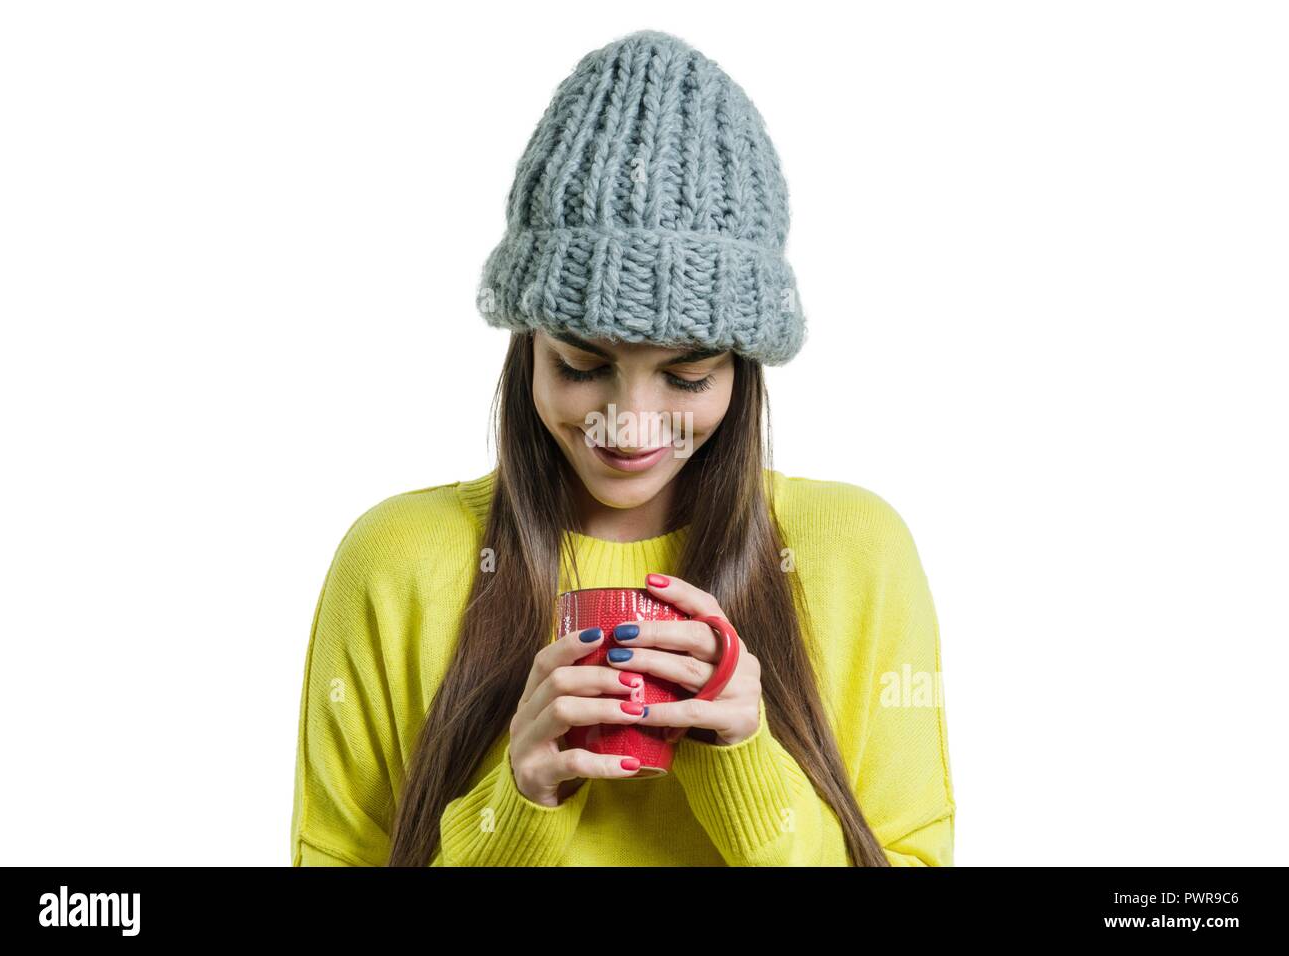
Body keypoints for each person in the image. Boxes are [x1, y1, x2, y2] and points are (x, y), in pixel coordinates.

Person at [290, 29, 955, 867]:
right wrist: (517, 804)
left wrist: (743, 763)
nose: (630, 424)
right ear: (526, 344)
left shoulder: (856, 553)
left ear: (742, 373)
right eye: (581, 364)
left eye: (686, 377)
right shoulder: (396, 562)